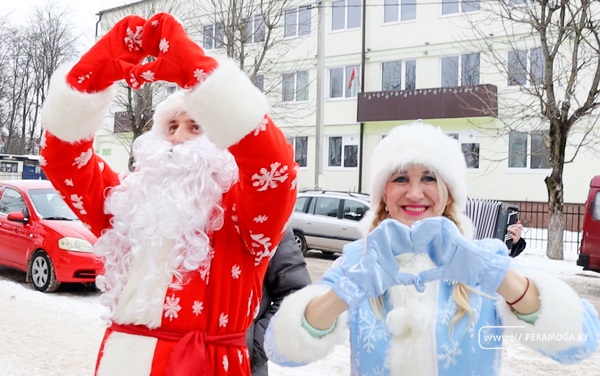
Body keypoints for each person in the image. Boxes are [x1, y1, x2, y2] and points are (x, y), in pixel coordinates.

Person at [39, 13, 297, 376]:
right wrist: (95, 72)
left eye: (195, 126)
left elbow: (275, 169)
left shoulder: (242, 218)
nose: (177, 136)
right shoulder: (126, 206)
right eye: (170, 126)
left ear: (224, 139)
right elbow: (62, 159)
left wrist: (198, 73)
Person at [264, 122, 600, 375]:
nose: (414, 193)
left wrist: (498, 277)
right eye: (399, 179)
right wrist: (345, 292)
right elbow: (283, 351)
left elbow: (579, 343)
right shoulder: (358, 264)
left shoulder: (486, 260)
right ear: (383, 193)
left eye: (428, 178)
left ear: (449, 192)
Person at [246, 229, 312, 375]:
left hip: (244, 367)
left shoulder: (270, 218)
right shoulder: (187, 214)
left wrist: (254, 346)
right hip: (186, 361)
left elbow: (298, 293)